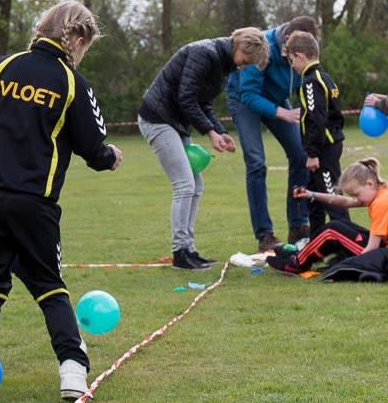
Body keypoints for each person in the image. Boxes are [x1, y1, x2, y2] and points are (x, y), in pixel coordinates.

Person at [0, 1, 123, 403]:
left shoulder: (3, 67)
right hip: (35, 203)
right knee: (49, 285)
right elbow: (93, 149)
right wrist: (111, 155)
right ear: (76, 40)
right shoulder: (72, 82)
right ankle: (73, 372)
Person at [138, 27, 270, 270]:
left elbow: (203, 102)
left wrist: (220, 131)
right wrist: (209, 132)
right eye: (246, 60)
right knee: (184, 184)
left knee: (195, 185)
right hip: (157, 118)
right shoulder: (204, 53)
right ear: (239, 48)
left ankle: (189, 249)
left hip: (176, 123)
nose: (244, 66)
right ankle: (180, 252)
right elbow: (186, 97)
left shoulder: (222, 64)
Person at [226, 16, 320, 251]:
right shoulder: (262, 47)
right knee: (256, 162)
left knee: (301, 154)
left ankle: (298, 225)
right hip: (244, 100)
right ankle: (265, 235)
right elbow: (248, 94)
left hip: (277, 99)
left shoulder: (302, 48)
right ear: (287, 40)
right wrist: (282, 113)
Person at [267, 158, 388, 275]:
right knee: (341, 225)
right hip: (383, 250)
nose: (356, 199)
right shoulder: (380, 193)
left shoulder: (380, 203)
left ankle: (295, 263)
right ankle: (299, 255)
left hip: (383, 257)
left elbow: (372, 247)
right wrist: (312, 194)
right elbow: (344, 202)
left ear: (370, 184)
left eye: (356, 194)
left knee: (331, 231)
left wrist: (348, 265)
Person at [283, 31, 349, 233]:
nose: (292, 65)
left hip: (323, 151)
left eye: (292, 60)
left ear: (300, 55)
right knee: (313, 199)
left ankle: (347, 250)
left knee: (332, 200)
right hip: (326, 147)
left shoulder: (311, 81)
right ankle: (317, 245)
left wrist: (312, 153)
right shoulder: (325, 78)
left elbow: (316, 118)